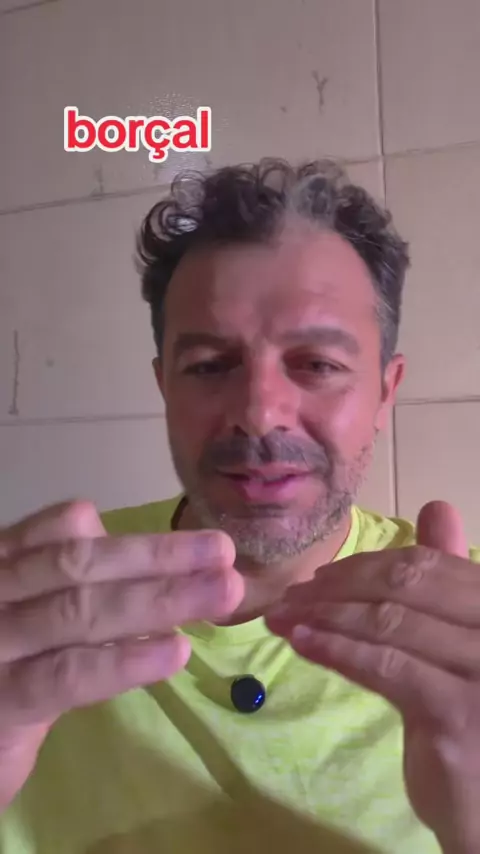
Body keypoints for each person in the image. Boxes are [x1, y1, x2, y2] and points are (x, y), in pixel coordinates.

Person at [0, 159, 478, 854]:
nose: (257, 413)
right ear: (165, 385)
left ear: (385, 390)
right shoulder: (30, 608)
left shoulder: (468, 631)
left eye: (316, 364)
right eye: (209, 366)